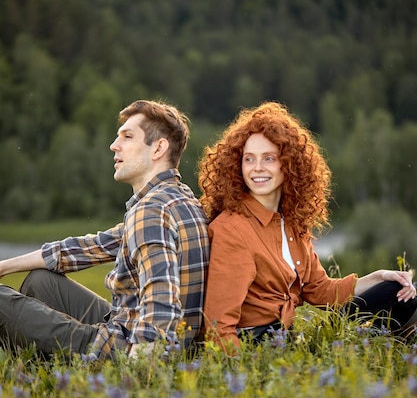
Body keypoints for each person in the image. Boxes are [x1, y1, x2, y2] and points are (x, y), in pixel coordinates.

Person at [198, 101, 417, 353]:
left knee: (399, 290)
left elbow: (319, 291)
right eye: (249, 159)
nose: (257, 168)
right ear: (237, 165)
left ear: (289, 164)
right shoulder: (232, 229)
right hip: (256, 348)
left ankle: (400, 360)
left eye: (269, 158)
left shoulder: (289, 221)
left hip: (287, 340)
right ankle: (393, 358)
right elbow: (218, 325)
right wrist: (240, 374)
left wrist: (378, 277)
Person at [0, 99, 210, 360]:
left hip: (127, 351)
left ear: (158, 148)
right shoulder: (180, 199)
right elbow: (89, 247)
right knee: (42, 281)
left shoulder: (151, 212)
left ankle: (49, 383)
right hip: (152, 337)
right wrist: (5, 266)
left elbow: (162, 306)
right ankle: (46, 374)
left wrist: (137, 377)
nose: (114, 145)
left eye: (127, 136)